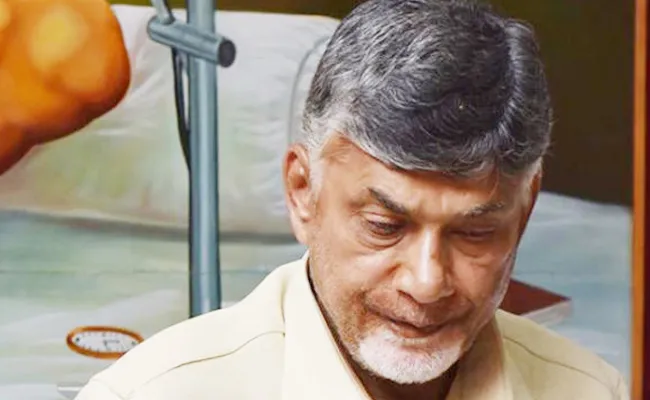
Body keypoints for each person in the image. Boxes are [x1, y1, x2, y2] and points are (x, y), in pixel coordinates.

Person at [76, 0, 629, 399]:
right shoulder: (149, 394)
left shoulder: (592, 391)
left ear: (525, 210)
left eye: (474, 233)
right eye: (384, 225)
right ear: (302, 193)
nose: (426, 283)